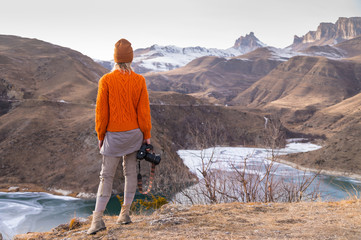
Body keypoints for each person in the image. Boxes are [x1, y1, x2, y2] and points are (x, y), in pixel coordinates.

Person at [87, 38, 152, 235]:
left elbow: (102, 113)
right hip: (134, 135)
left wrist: (101, 135)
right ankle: (124, 215)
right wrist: (146, 135)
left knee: (106, 177)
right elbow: (144, 112)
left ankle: (97, 220)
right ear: (131, 59)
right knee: (130, 173)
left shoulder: (106, 80)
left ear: (115, 58)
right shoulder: (139, 80)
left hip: (113, 136)